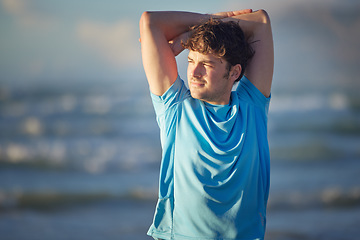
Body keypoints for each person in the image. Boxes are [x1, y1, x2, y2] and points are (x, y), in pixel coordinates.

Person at [139, 8, 274, 240]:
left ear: (234, 72)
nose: (194, 72)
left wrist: (198, 32)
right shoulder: (175, 107)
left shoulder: (251, 107)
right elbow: (150, 22)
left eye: (207, 64)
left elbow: (261, 22)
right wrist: (206, 24)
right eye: (191, 60)